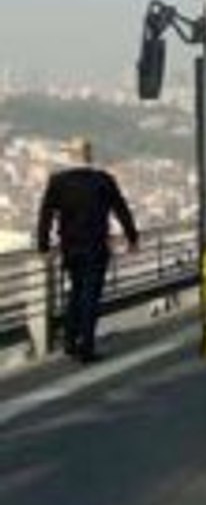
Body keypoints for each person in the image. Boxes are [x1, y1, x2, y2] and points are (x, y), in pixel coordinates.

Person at [36, 138, 139, 363]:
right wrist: (132, 238)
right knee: (90, 295)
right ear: (90, 155)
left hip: (70, 247)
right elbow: (122, 210)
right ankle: (87, 347)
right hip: (96, 246)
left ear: (70, 155)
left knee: (76, 292)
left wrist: (43, 246)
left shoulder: (58, 182)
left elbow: (45, 215)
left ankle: (71, 342)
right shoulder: (103, 180)